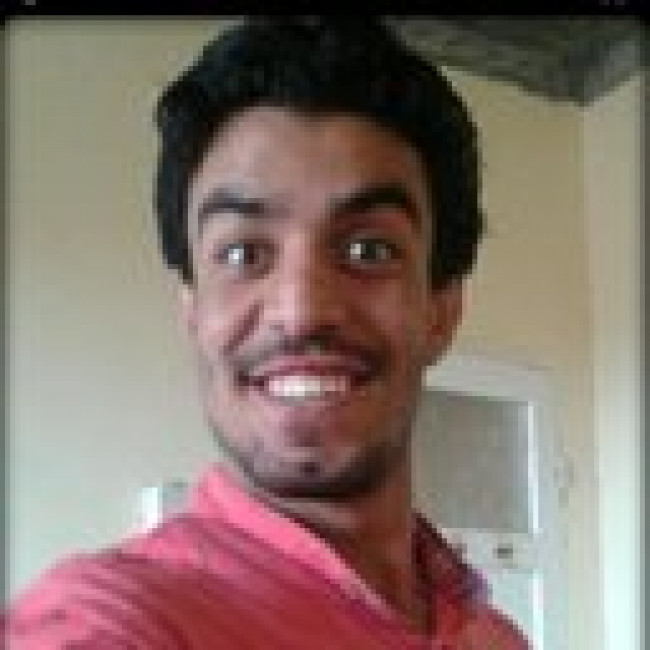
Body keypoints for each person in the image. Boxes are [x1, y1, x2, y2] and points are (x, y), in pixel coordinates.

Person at [5, 17, 529, 648]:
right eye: (242, 254)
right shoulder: (105, 619)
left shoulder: (495, 636)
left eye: (368, 249)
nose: (302, 310)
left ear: (441, 309)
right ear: (193, 312)